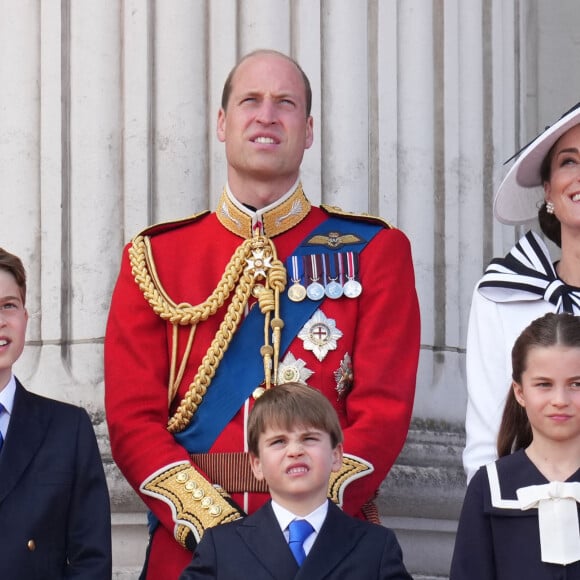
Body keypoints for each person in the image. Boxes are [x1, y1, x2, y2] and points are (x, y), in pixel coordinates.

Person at [104, 49, 420, 579]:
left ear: (309, 129)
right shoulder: (156, 258)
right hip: (193, 552)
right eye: (250, 100)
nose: (267, 115)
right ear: (223, 124)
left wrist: (305, 514)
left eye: (286, 103)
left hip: (328, 548)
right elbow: (132, 422)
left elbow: (383, 414)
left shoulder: (375, 250)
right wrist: (223, 533)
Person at [179, 382, 412, 580]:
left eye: (309, 438)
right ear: (256, 464)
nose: (295, 451)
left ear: (336, 456)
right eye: (279, 442)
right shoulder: (221, 547)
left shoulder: (376, 547)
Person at [463, 102, 580, 482]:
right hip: (528, 515)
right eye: (569, 161)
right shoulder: (504, 294)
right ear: (548, 188)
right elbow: (486, 440)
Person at [0, 247, 112, 579]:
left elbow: (91, 561)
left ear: (25, 318)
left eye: (9, 305)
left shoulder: (69, 429)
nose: (1, 320)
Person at [451, 312, 580, 579]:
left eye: (576, 384)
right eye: (544, 384)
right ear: (520, 392)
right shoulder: (489, 486)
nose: (560, 399)